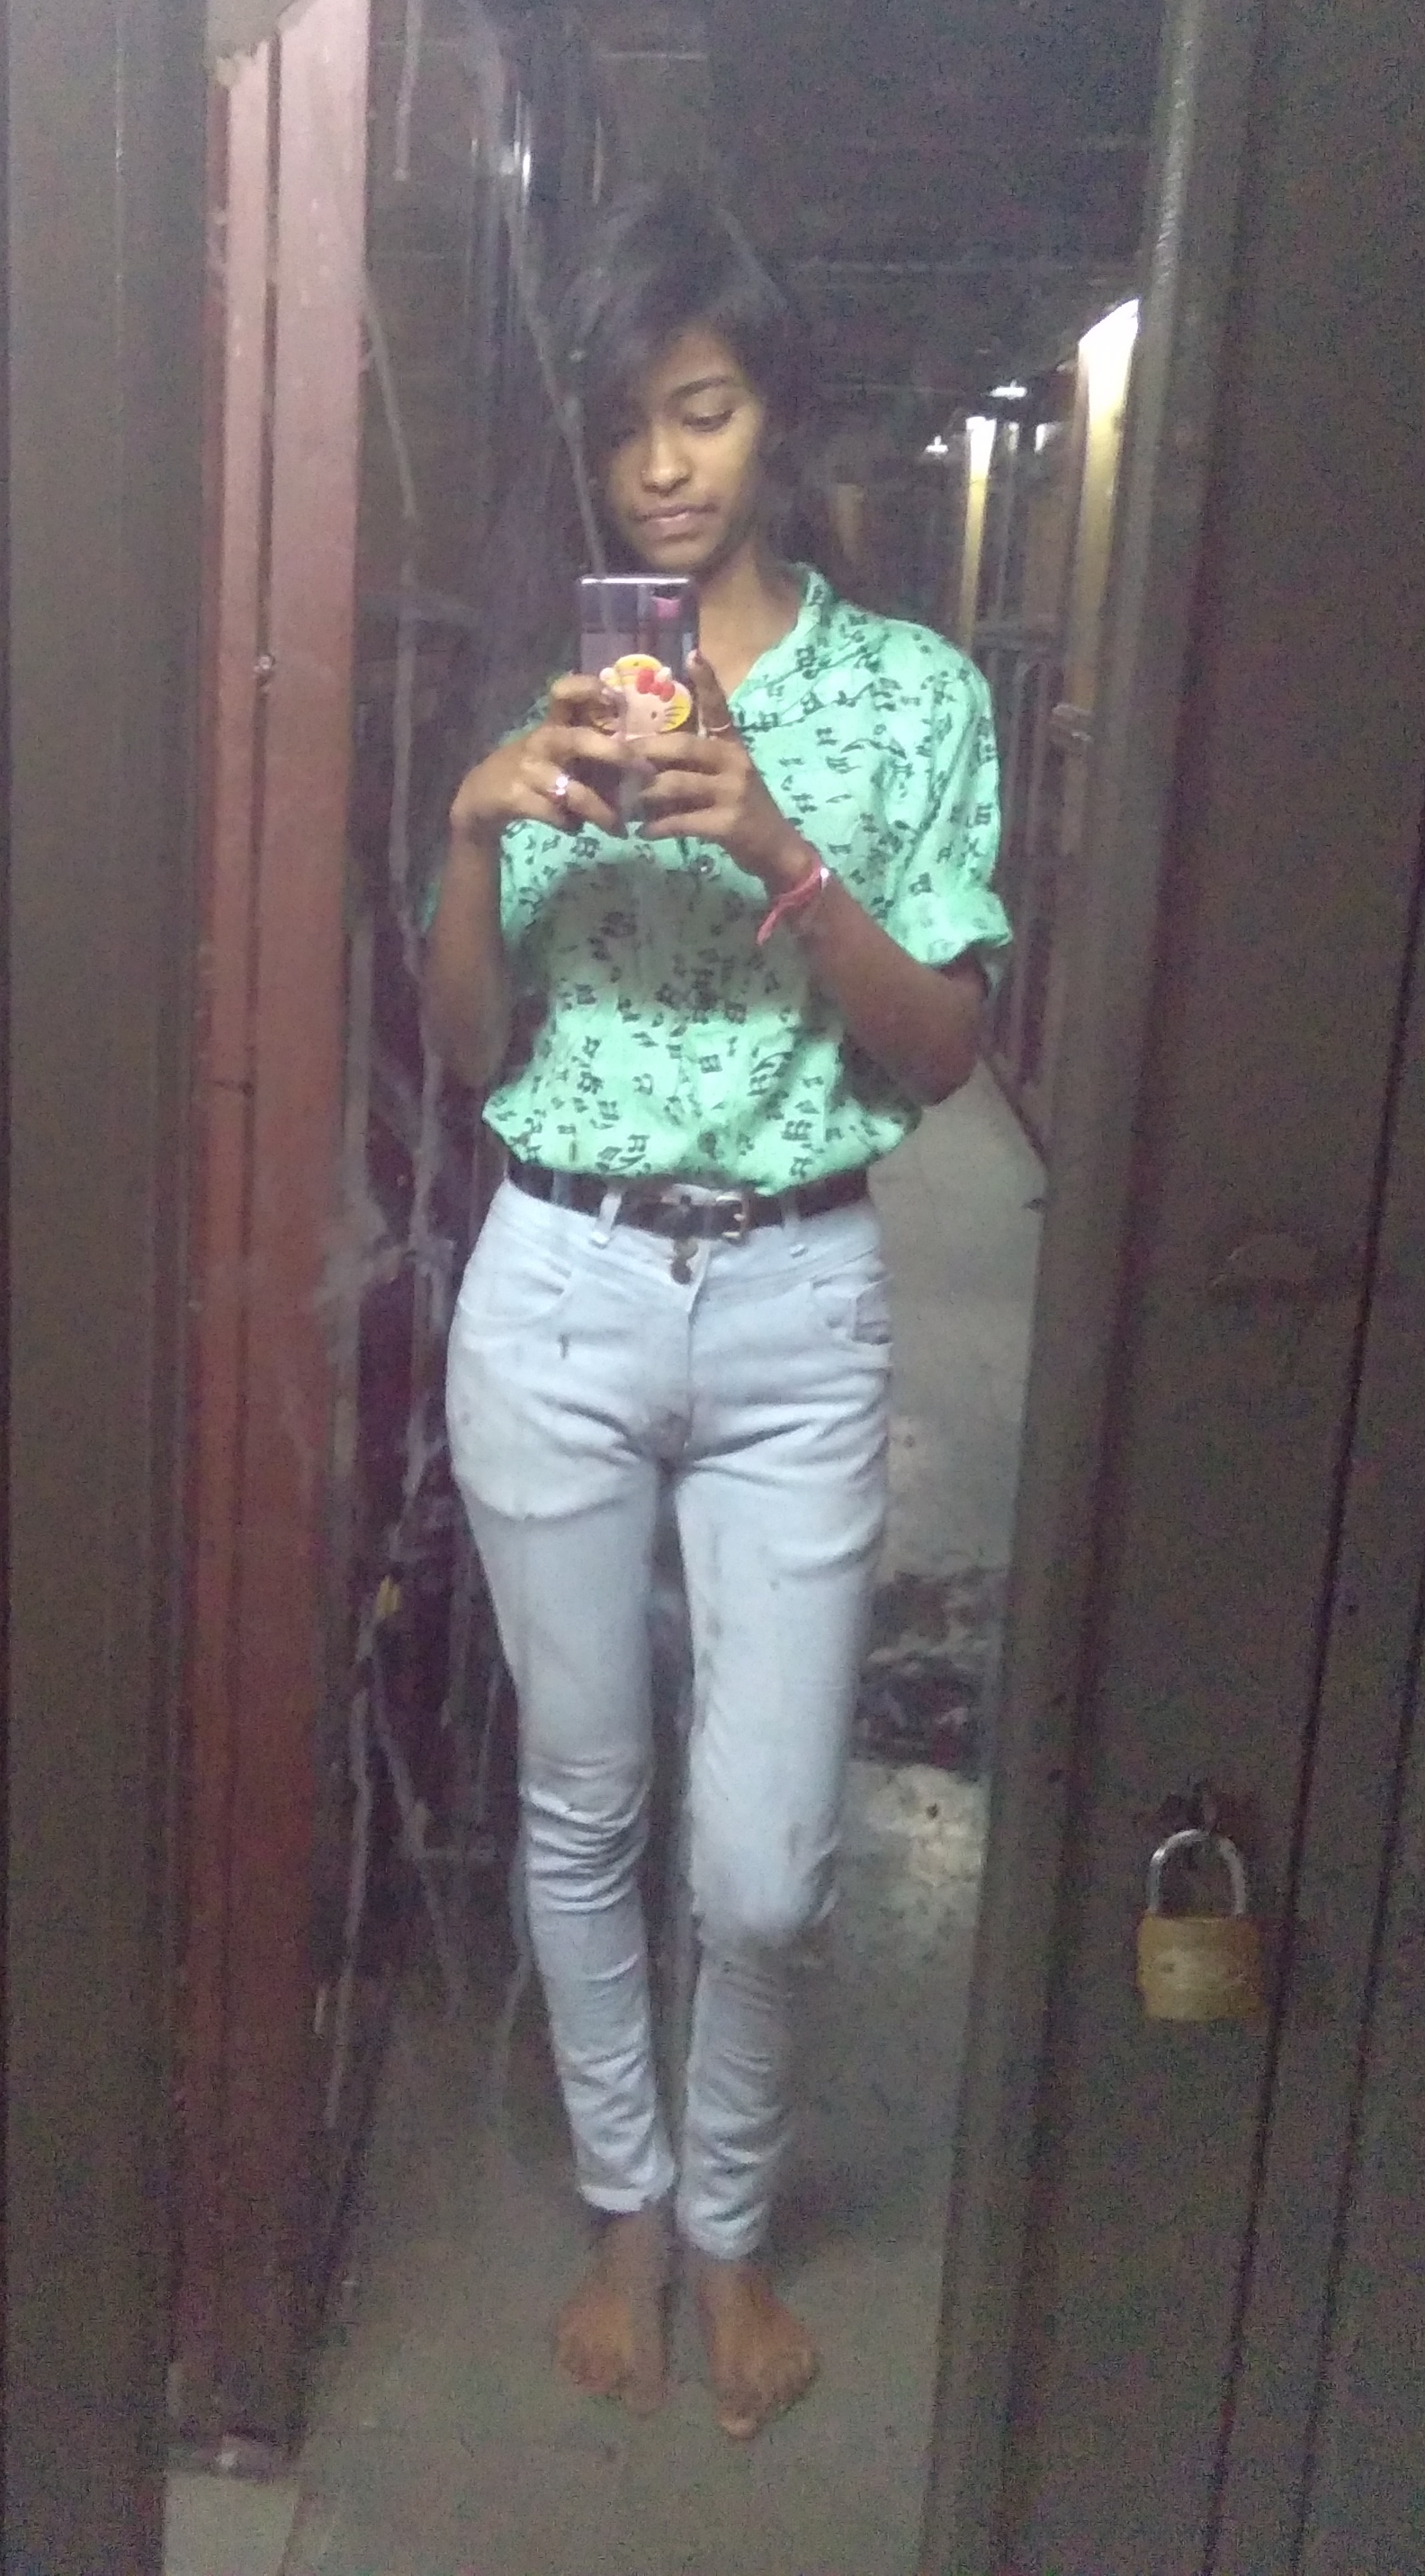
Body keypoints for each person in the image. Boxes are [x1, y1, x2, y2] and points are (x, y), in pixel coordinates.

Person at [423, 181, 1010, 2440]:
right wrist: (475, 831)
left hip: (795, 1299)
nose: (662, 467)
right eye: (622, 427)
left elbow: (939, 1053)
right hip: (556, 1284)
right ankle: (639, 2215)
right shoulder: (546, 698)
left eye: (704, 410)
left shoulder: (912, 697)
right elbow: (468, 1050)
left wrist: (778, 846)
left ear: (774, 417)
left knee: (761, 1866)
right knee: (583, 1798)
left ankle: (737, 2209)